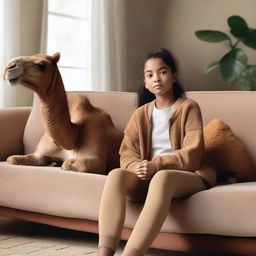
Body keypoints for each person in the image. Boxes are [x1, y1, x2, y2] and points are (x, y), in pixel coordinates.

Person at [97, 48, 216, 256]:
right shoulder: (140, 114)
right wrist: (138, 167)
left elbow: (193, 154)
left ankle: (131, 254)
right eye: (149, 75)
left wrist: (157, 164)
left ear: (174, 76)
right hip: (148, 176)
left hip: (187, 175)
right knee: (116, 175)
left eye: (162, 72)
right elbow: (126, 152)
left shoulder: (189, 108)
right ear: (145, 82)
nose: (156, 79)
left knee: (162, 177)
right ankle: (104, 253)